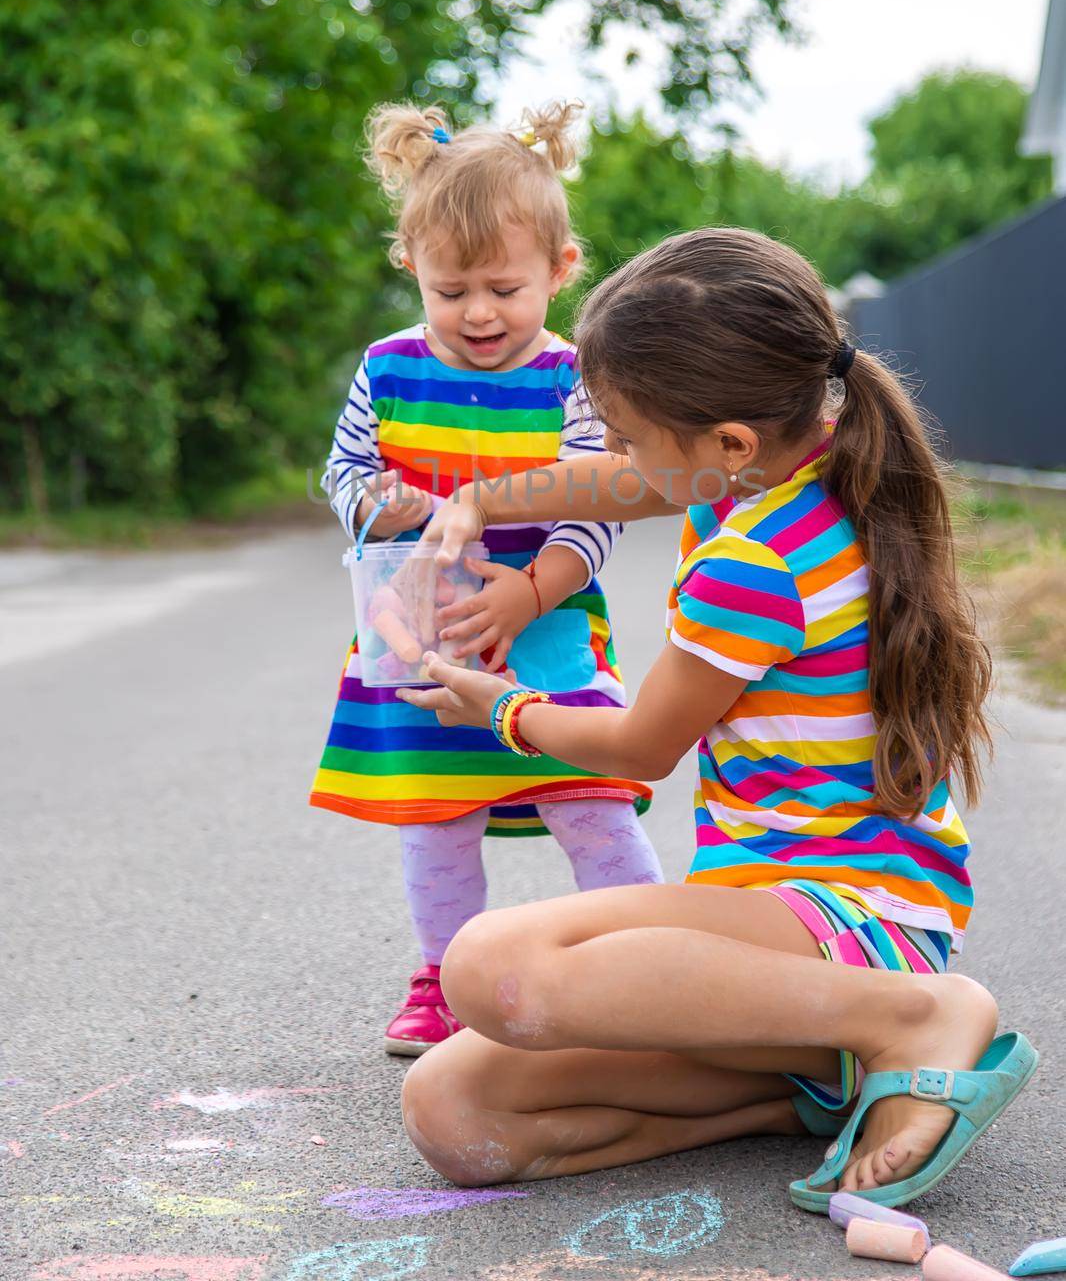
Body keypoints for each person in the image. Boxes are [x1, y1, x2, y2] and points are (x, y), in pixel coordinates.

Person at [397, 226, 1037, 1206]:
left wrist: (507, 710)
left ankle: (906, 1020)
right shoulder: (814, 468)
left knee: (492, 964)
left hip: (841, 917)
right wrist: (477, 500)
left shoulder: (757, 559)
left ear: (726, 444)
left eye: (624, 429)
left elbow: (639, 746)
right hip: (782, 932)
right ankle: (820, 1087)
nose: (612, 453)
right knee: (451, 1112)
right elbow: (621, 482)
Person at [310, 100, 663, 1057]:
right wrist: (371, 503)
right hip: (418, 628)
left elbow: (601, 502)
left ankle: (649, 957)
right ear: (411, 270)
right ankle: (444, 975)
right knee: (437, 813)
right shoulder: (386, 370)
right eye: (449, 288)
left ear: (560, 270)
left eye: (504, 288)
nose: (476, 312)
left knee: (588, 796)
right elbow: (342, 475)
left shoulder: (575, 376)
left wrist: (532, 590)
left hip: (545, 621)